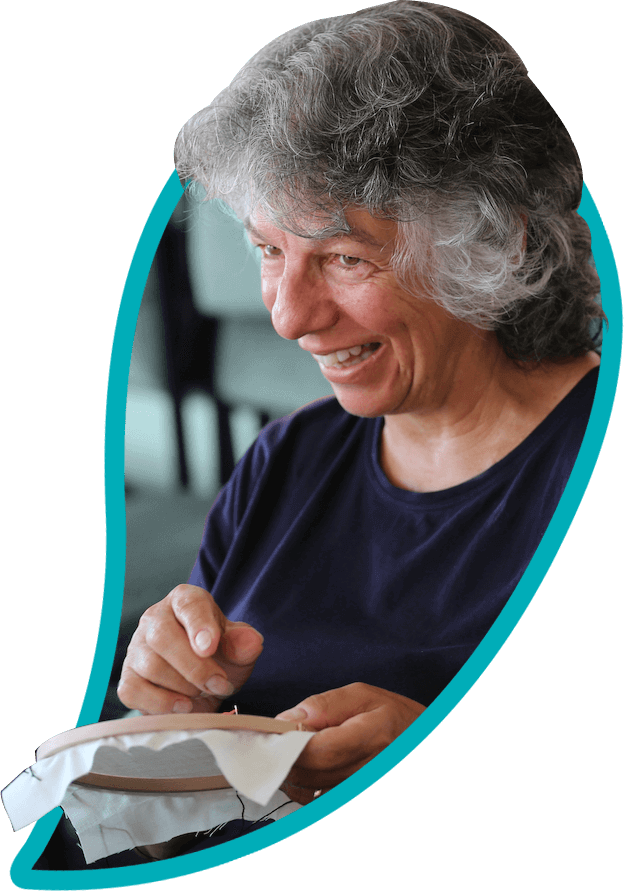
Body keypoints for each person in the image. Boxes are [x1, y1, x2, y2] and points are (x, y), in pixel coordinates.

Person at [118, 1, 604, 824]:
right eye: (269, 251)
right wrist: (170, 709)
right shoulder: (286, 460)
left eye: (343, 258)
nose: (287, 316)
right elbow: (191, 797)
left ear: (494, 245)